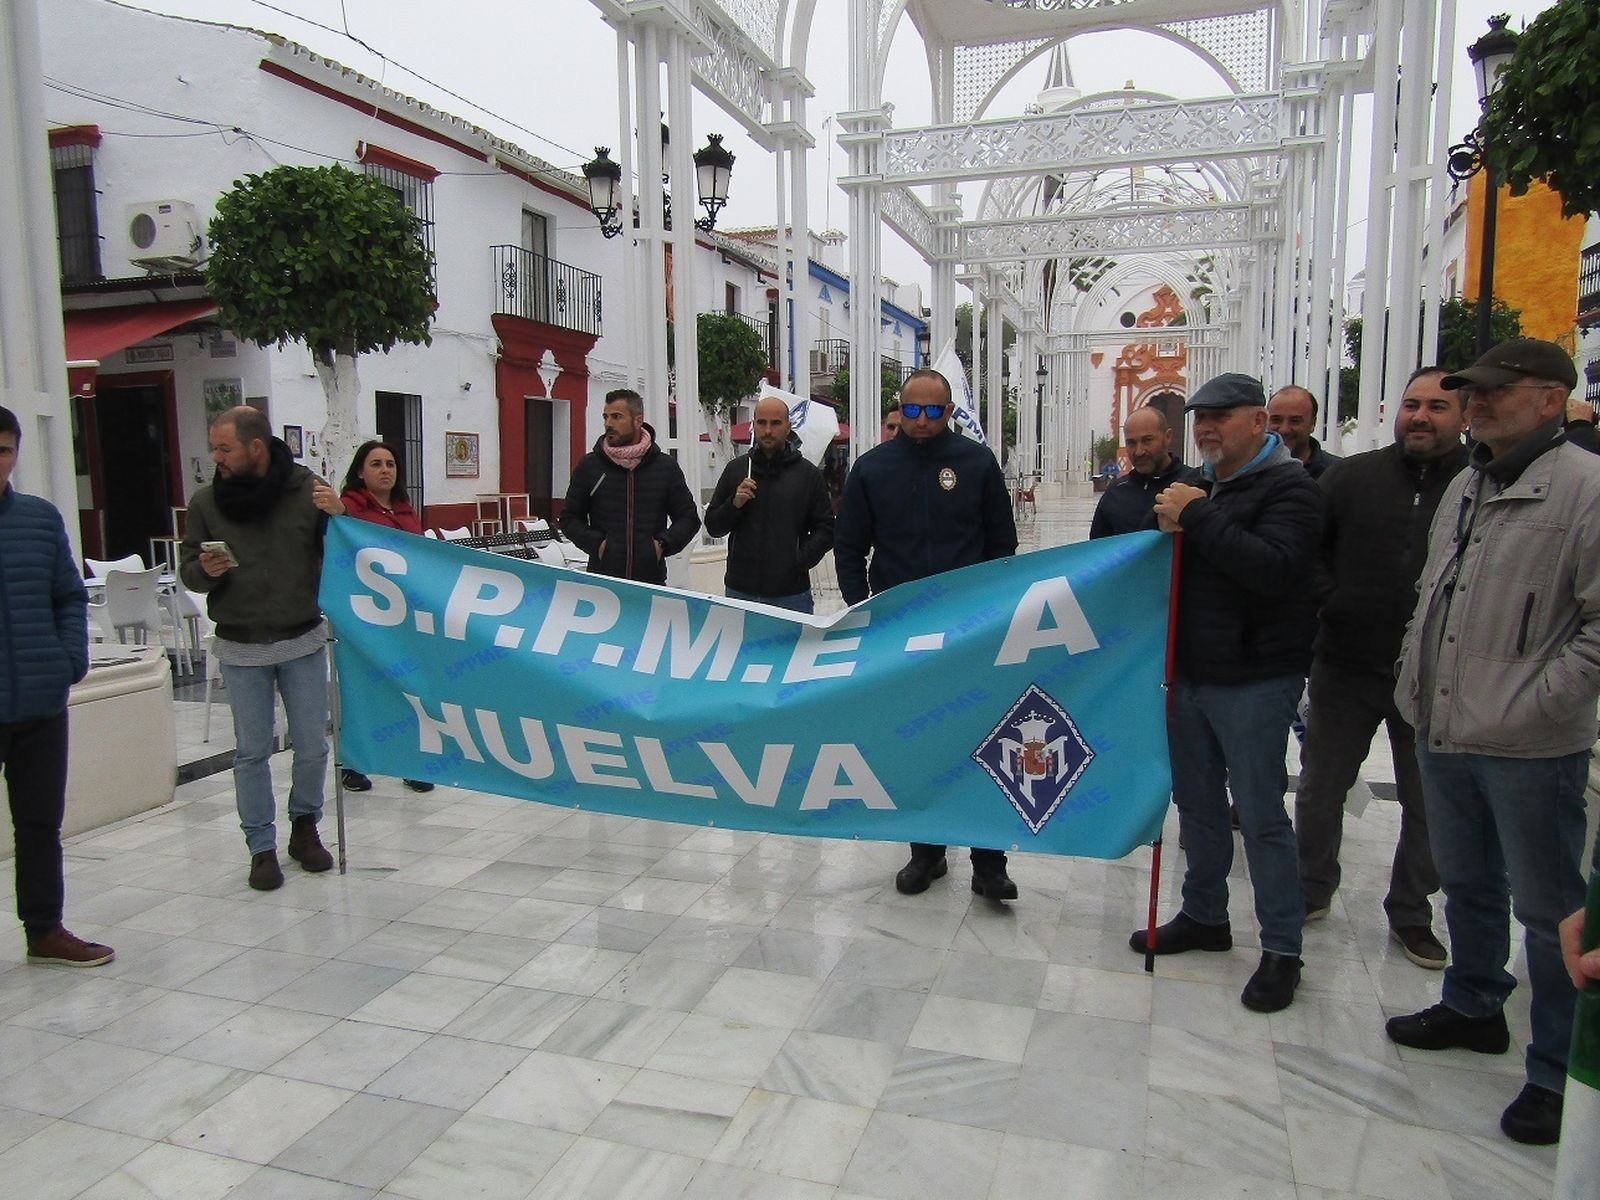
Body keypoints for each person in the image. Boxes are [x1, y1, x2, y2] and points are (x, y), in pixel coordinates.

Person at [1389, 338, 1600, 1146]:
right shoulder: (1467, 485)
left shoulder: (1583, 490)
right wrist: (1415, 677)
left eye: (1494, 391)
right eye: (1470, 390)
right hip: (1443, 722)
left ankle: (1555, 1070)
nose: (1476, 402)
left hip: (1530, 745)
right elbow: (1434, 591)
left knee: (1550, 914)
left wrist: (1535, 702)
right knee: (1469, 883)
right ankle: (1475, 1003)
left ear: (1549, 399)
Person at [1129, 372, 1323, 1013]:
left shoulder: (1290, 488)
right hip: (1192, 674)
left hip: (1255, 679)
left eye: (1219, 416)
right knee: (1199, 806)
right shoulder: (1206, 487)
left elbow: (1274, 569)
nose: (1205, 427)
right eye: (1199, 418)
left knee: (1263, 816)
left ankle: (1281, 950)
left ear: (1259, 422)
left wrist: (1198, 518)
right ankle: (1205, 914)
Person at [1294, 367, 1467, 970]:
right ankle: (1310, 888)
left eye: (1439, 407)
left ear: (1464, 415)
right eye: (1412, 403)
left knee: (1429, 800)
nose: (1421, 416)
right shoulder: (1352, 477)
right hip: (1346, 661)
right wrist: (1329, 600)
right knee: (1321, 785)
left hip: (1437, 673)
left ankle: (1412, 912)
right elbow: (1309, 548)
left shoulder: (1478, 484)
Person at [835, 369, 1020, 900]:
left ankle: (990, 863)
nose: (921, 420)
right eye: (911, 410)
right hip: (902, 636)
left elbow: (1001, 545)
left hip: (968, 633)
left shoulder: (977, 463)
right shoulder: (872, 469)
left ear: (949, 413)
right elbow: (849, 547)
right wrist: (862, 609)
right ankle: (926, 853)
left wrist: (987, 613)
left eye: (933, 411)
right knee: (916, 741)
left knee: (981, 740)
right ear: (900, 409)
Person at [181, 406, 335, 891]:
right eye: (214, 448)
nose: (216, 458)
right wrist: (205, 571)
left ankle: (304, 827)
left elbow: (341, 549)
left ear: (254, 448)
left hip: (302, 636)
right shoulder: (207, 503)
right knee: (251, 751)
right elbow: (189, 569)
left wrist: (342, 513)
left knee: (311, 745)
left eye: (224, 448)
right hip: (241, 642)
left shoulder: (306, 491)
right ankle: (260, 846)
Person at [0, 406, 112, 967]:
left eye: (3, 450)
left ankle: (44, 929)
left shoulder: (40, 520)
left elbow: (68, 594)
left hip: (41, 702)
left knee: (40, 824)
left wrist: (69, 656)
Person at [312, 440, 433, 794]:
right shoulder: (347, 508)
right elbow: (346, 543)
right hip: (362, 617)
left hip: (406, 617)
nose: (385, 470)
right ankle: (354, 763)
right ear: (360, 472)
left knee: (409, 689)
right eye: (376, 464)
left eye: (391, 463)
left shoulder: (405, 511)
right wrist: (340, 516)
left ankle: (410, 761)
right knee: (360, 690)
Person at [703, 396, 835, 613]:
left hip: (790, 595)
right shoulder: (736, 470)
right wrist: (734, 504)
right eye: (762, 422)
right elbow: (714, 527)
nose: (768, 430)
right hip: (740, 591)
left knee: (792, 648)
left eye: (776, 423)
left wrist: (798, 561)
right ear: (753, 425)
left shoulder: (808, 475)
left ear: (788, 426)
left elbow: (826, 529)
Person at [559, 389, 699, 583]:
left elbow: (688, 518)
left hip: (650, 582)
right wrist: (598, 545)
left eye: (617, 417)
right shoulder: (590, 466)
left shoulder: (665, 467)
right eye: (606, 417)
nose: (609, 424)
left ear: (638, 420)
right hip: (603, 582)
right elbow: (569, 518)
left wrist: (661, 546)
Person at [1089, 405, 1201, 539]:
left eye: (1147, 440)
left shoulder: (1193, 485)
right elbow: (1099, 550)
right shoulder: (1115, 493)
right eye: (1131, 443)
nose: (1139, 451)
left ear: (1168, 437)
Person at [1268, 385, 1341, 478]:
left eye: (1295, 421)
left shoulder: (1338, 473)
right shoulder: (1249, 470)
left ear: (1312, 424)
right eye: (1276, 420)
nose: (1284, 429)